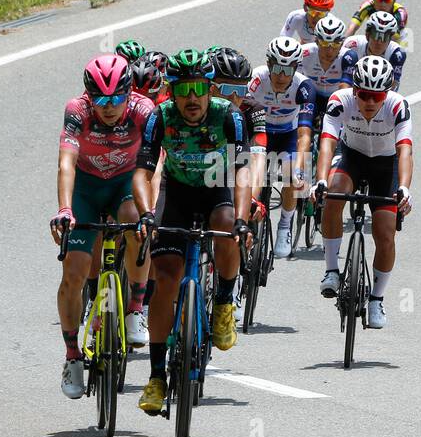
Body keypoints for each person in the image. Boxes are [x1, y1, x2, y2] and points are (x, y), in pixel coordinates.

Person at [132, 50, 247, 415]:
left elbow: (244, 170)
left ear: (210, 88)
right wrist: (147, 214)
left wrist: (244, 218)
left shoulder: (228, 115)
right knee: (166, 279)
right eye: (183, 90)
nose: (192, 98)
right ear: (172, 91)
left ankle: (225, 302)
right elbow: (142, 172)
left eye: (199, 88)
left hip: (216, 184)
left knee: (228, 227)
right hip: (176, 190)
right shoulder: (159, 117)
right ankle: (155, 377)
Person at [48, 54, 156, 399]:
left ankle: (135, 310)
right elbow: (66, 161)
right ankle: (72, 356)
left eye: (115, 99)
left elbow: (157, 163)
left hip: (126, 182)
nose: (108, 107)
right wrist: (65, 209)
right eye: (101, 100)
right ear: (88, 96)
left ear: (128, 93)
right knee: (74, 274)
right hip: (86, 187)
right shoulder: (77, 111)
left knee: (137, 224)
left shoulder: (144, 110)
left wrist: (149, 211)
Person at [312, 54, 414, 330]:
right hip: (352, 158)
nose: (369, 102)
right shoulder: (339, 101)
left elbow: (405, 150)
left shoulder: (398, 106)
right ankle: (332, 271)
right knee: (333, 193)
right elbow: (327, 143)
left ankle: (376, 299)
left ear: (387, 93)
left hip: (386, 165)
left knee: (385, 233)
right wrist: (320, 180)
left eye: (376, 96)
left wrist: (404, 187)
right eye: (364, 94)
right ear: (355, 90)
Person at [250, 37, 316, 259]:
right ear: (268, 65)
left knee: (292, 176)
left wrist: (298, 169)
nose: (281, 75)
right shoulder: (257, 79)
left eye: (287, 70)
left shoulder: (304, 86)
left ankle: (284, 227)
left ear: (295, 68)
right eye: (276, 68)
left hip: (289, 135)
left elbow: (305, 134)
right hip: (260, 133)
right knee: (243, 176)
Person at [208, 46, 267, 230]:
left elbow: (258, 157)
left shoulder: (253, 110)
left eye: (240, 90)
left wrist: (252, 198)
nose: (234, 97)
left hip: (238, 164)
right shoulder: (196, 109)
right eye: (226, 89)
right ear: (210, 87)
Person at [299, 14, 351, 127]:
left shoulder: (348, 56)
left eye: (335, 44)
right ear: (316, 41)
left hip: (336, 96)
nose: (330, 50)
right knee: (303, 124)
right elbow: (293, 83)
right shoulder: (304, 53)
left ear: (342, 43)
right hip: (311, 96)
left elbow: (345, 89)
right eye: (324, 43)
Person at [342, 11, 407, 89]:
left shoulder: (397, 53)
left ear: (390, 39)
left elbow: (393, 86)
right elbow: (342, 81)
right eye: (376, 35)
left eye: (384, 37)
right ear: (367, 35)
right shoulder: (352, 45)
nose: (379, 42)